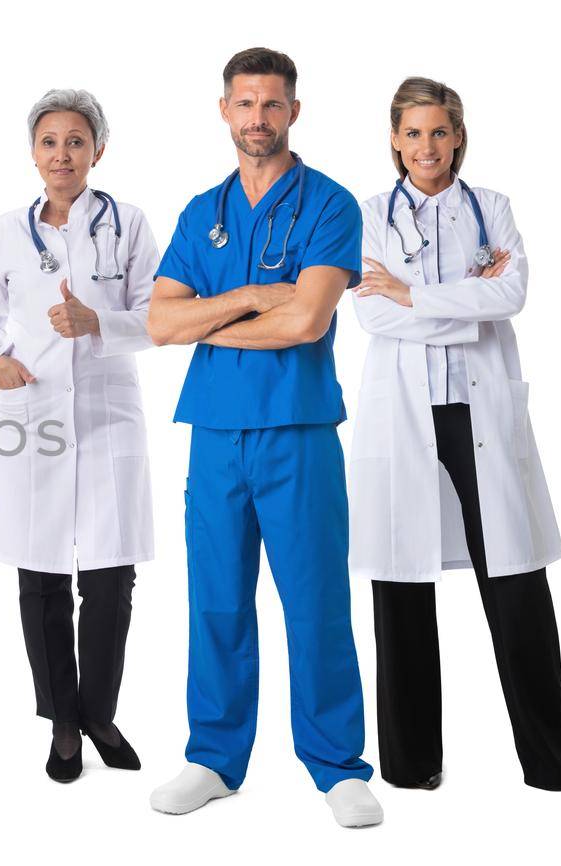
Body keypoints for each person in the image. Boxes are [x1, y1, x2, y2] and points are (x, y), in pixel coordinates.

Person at [143, 47, 382, 827]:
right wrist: (248, 299)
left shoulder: (330, 205)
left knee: (314, 600)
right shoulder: (200, 213)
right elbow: (157, 322)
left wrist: (207, 322)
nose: (257, 119)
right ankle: (213, 757)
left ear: (293, 112)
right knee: (215, 601)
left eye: (271, 105)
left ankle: (338, 766)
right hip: (214, 433)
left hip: (298, 430)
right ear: (224, 111)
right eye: (244, 104)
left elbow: (308, 318)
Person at [348, 77, 561, 792]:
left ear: (459, 137)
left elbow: (512, 296)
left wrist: (413, 294)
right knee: (402, 584)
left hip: (480, 410)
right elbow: (371, 316)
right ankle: (413, 764)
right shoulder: (367, 215)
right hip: (404, 413)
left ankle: (550, 762)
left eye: (439, 132)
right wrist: (470, 304)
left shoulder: (495, 210)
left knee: (515, 583)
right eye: (413, 133)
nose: (427, 147)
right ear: (395, 139)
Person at [0, 88, 158, 782]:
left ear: (97, 151)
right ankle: (65, 724)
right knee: (39, 571)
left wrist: (98, 324)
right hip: (33, 414)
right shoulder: (8, 231)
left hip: (107, 414)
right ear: (33, 153)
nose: (62, 154)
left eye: (76, 141)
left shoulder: (129, 223)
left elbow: (159, 315)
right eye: (50, 141)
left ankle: (100, 711)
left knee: (111, 577)